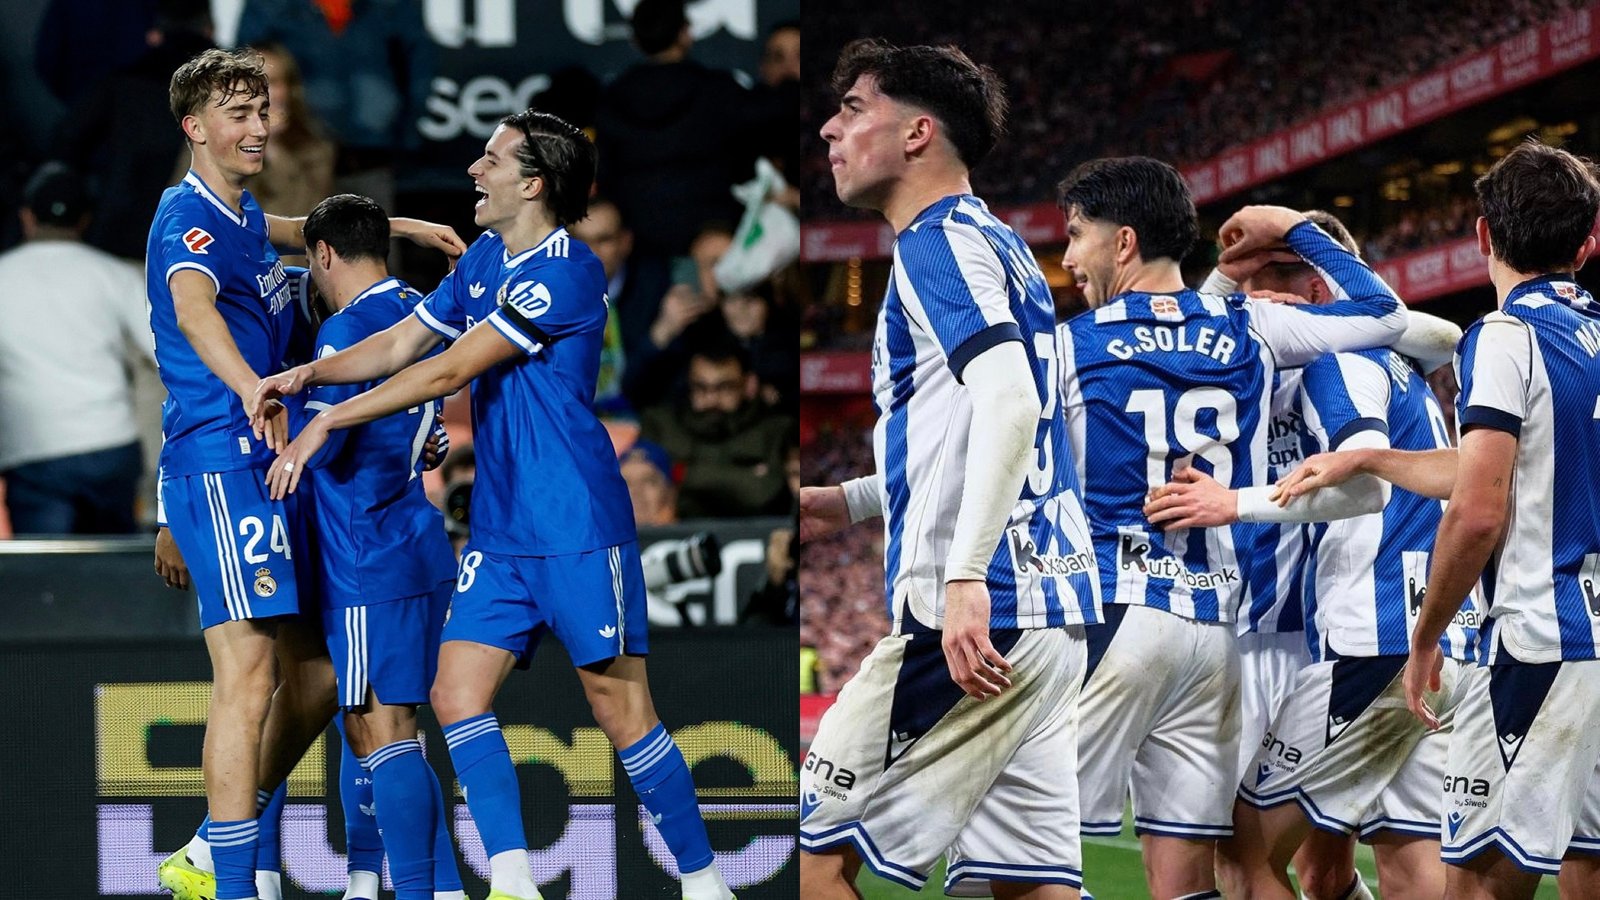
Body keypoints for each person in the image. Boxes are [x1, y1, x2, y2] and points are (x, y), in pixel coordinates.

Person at [247, 109, 736, 900]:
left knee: (622, 712)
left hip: (575, 522)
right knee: (453, 694)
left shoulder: (566, 269)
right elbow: (408, 341)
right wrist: (309, 377)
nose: (474, 170)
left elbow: (448, 372)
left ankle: (706, 884)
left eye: (491, 159)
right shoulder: (481, 263)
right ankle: (512, 881)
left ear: (532, 182)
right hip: (500, 532)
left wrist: (330, 415)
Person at [146, 47, 462, 900]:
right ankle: (232, 878)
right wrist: (251, 387)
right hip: (225, 457)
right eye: (239, 115)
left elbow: (290, 233)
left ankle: (216, 848)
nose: (258, 127)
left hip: (271, 464)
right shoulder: (185, 220)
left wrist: (392, 228)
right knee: (247, 675)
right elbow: (191, 308)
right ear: (195, 128)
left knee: (317, 677)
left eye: (262, 110)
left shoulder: (240, 213)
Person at [1053, 158, 1413, 899]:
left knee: (1015, 859)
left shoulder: (1070, 344)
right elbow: (1388, 316)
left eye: (1075, 236)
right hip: (1214, 630)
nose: (1065, 258)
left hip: (1117, 613)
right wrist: (1295, 229)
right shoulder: (1246, 325)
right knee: (1196, 879)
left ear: (1122, 243)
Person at [800, 39, 1100, 899]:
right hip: (1048, 615)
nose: (830, 128)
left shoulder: (935, 243)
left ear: (919, 133)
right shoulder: (1001, 246)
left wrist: (964, 578)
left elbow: (1008, 403)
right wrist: (856, 500)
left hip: (973, 615)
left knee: (811, 863)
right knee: (1029, 884)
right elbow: (1000, 423)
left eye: (854, 108)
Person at [1271, 138, 1600, 900]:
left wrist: (1426, 637)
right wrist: (1373, 459)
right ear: (1588, 243)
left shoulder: (1506, 337)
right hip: (1594, 638)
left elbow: (1479, 511)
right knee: (1587, 865)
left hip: (1536, 642)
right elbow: (1493, 470)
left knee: (1479, 883)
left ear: (1482, 234)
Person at [1144, 240, 1473, 900]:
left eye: (1269, 284)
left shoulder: (1341, 361)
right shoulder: (1394, 364)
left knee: (1244, 852)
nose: (1254, 302)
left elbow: (1368, 478)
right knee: (1382, 870)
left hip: (1372, 646)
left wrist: (1227, 503)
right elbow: (1441, 334)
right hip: (1427, 640)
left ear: (1315, 292)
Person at [294, 193, 466, 899]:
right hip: (418, 542)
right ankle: (414, 886)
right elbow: (426, 427)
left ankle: (421, 892)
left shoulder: (342, 334)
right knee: (387, 725)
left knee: (376, 729)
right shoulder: (419, 310)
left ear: (324, 255)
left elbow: (325, 452)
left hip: (365, 550)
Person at [0, 162, 154, 534]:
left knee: (49, 579)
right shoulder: (114, 275)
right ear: (84, 220)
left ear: (26, 217)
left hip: (32, 451)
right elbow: (164, 351)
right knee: (114, 574)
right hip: (111, 445)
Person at [639, 338, 795, 519]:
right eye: (700, 387)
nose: (711, 399)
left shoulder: (776, 429)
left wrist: (679, 472)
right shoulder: (660, 423)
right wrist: (742, 477)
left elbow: (762, 492)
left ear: (749, 385)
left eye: (725, 387)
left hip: (751, 536)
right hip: (669, 536)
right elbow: (641, 496)